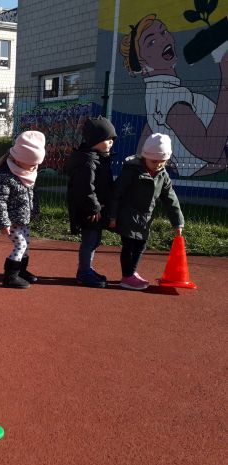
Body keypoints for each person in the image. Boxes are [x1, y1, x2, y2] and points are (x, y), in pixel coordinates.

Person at [119, 13, 228, 177]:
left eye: (163, 32)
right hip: (212, 176)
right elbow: (210, 152)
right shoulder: (170, 98)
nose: (163, 40)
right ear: (140, 62)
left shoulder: (158, 95)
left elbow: (147, 137)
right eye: (151, 42)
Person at [109, 133, 184, 290]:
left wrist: (177, 222)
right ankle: (127, 277)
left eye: (162, 161)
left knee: (141, 245)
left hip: (145, 218)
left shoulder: (162, 175)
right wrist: (113, 216)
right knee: (129, 246)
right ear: (145, 157)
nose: (158, 165)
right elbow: (117, 193)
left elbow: (171, 200)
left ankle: (132, 272)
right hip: (128, 215)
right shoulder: (132, 171)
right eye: (154, 161)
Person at [0, 131, 45, 289]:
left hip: (23, 218)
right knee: (20, 245)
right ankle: (10, 277)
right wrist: (3, 223)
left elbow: (32, 195)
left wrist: (34, 210)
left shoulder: (28, 173)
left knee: (27, 244)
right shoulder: (5, 176)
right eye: (32, 164)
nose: (35, 167)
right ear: (19, 160)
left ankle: (21, 271)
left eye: (37, 164)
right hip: (11, 220)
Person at [65, 116, 117, 288]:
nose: (111, 142)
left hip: (96, 208)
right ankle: (84, 272)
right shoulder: (88, 161)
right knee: (90, 240)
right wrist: (94, 207)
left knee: (94, 240)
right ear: (96, 140)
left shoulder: (98, 158)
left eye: (112, 139)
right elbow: (85, 187)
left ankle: (87, 268)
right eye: (107, 139)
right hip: (89, 210)